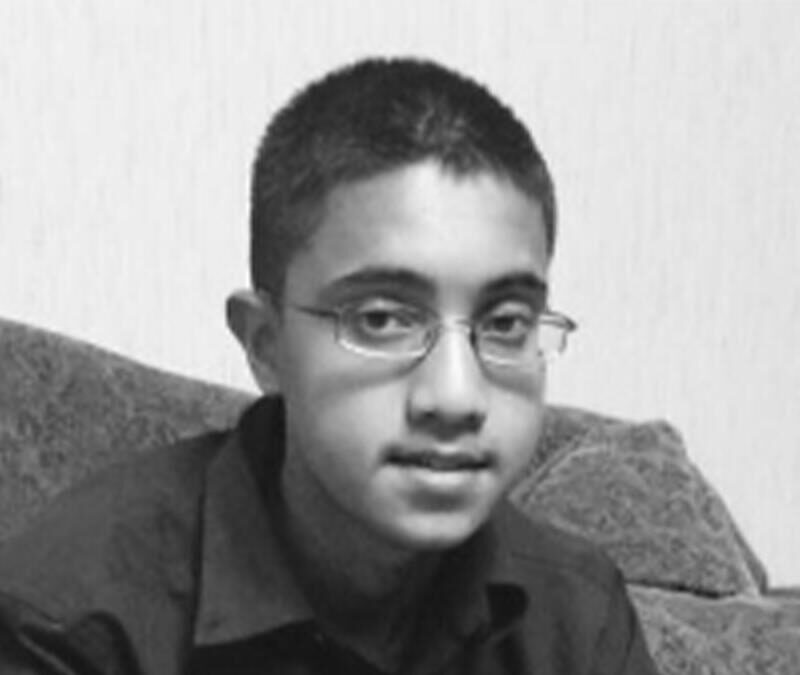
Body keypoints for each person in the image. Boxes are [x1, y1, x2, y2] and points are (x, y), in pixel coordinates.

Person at [0, 57, 660, 674]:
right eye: (382, 318)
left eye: (507, 324)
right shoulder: (72, 617)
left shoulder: (577, 618)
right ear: (266, 343)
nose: (457, 396)